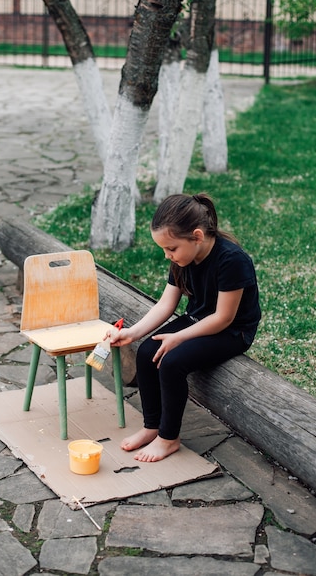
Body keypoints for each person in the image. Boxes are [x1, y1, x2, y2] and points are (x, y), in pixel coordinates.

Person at [107, 192, 261, 463]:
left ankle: (168, 438)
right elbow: (166, 304)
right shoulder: (182, 258)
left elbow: (224, 318)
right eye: (164, 250)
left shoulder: (232, 260)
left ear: (197, 236)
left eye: (172, 249)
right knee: (146, 352)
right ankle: (151, 426)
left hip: (232, 331)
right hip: (198, 320)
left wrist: (178, 337)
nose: (168, 255)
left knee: (171, 362)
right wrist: (132, 332)